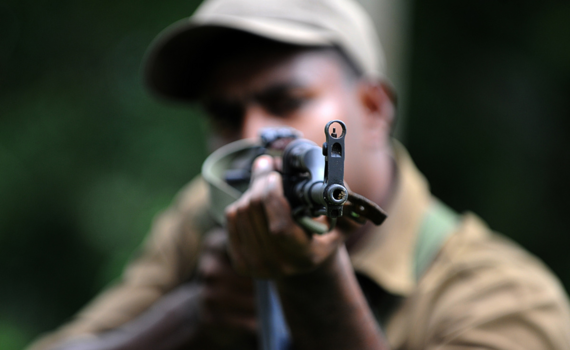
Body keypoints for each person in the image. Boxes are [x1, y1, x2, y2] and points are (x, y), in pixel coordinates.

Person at [28, 0, 570, 349]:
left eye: (285, 101)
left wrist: (313, 281)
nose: (254, 134)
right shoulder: (205, 216)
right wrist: (192, 317)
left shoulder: (504, 299)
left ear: (375, 108)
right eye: (224, 114)